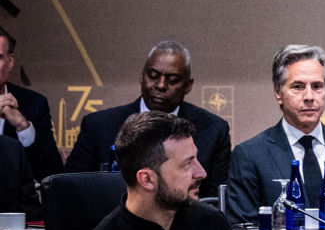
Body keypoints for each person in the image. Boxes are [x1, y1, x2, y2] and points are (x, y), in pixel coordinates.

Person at [225, 45, 325, 223]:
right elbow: (243, 229)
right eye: (298, 87)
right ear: (278, 92)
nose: (309, 96)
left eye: (317, 86)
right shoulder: (250, 155)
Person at [66, 40, 230, 196]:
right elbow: (71, 190)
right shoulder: (99, 125)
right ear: (142, 77)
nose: (160, 85)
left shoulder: (213, 130)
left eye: (172, 80)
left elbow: (215, 200)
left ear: (188, 85)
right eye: (153, 76)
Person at [71, 111, 235, 230]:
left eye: (196, 158)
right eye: (187, 164)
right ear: (147, 179)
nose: (202, 173)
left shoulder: (213, 223)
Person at [0, 25, 64, 181]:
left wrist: (23, 126)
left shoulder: (33, 104)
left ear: (10, 61)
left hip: (14, 201)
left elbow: (53, 174)